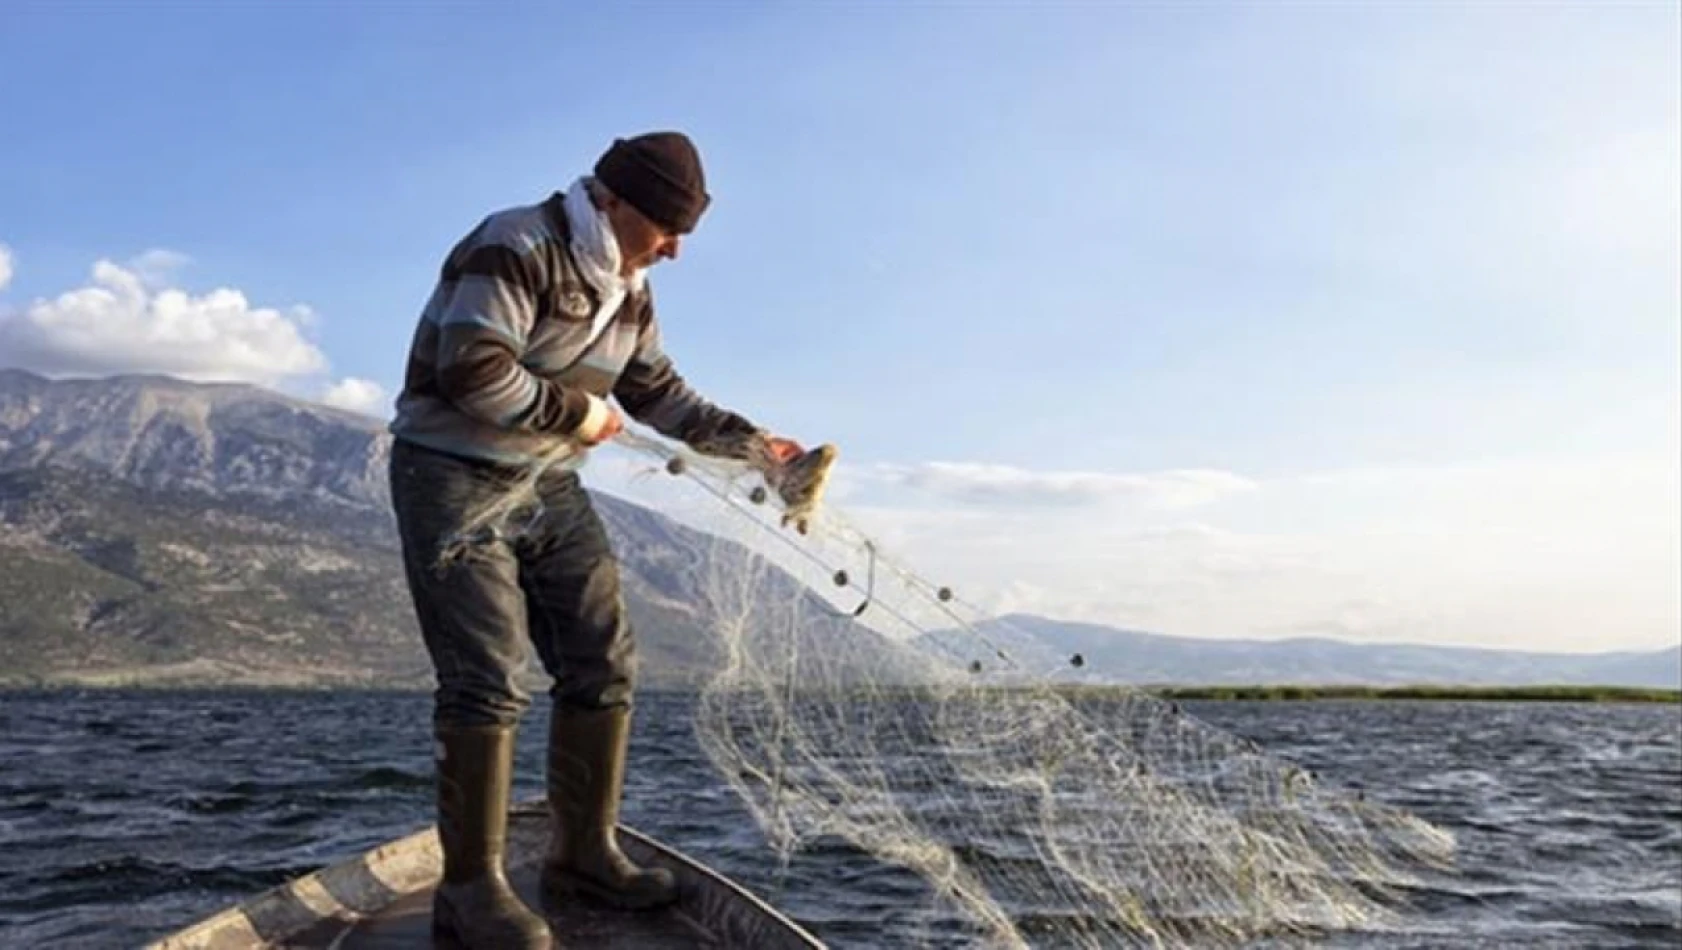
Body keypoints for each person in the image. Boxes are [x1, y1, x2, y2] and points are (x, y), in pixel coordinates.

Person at [386, 131, 804, 949]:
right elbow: (472, 368)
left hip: (545, 481)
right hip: (448, 471)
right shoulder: (516, 244)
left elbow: (657, 394)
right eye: (665, 229)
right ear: (613, 202)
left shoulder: (630, 286)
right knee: (484, 678)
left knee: (603, 659)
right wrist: (578, 415)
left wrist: (759, 449)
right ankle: (468, 891)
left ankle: (582, 854)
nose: (675, 250)